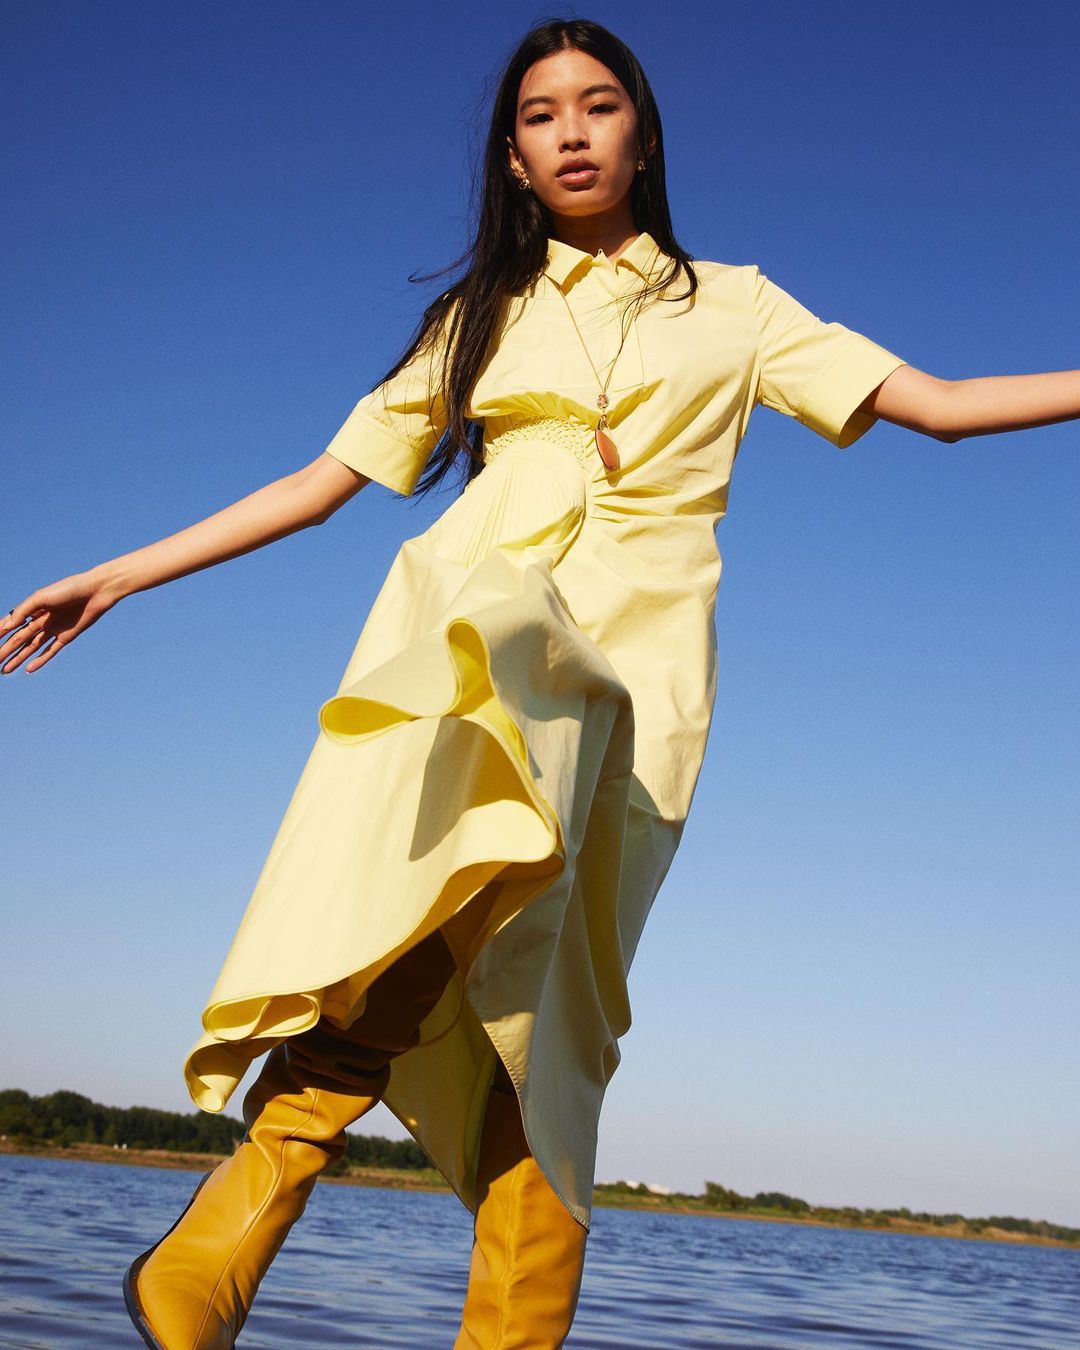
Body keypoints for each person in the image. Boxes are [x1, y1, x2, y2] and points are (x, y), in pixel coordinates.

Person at [3, 16, 1078, 1350]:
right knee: (445, 887)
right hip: (486, 627)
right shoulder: (480, 316)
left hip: (640, 680)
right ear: (512, 158)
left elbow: (946, 404)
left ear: (643, 134)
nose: (571, 131)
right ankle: (247, 1205)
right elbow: (319, 484)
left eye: (599, 104)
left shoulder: (739, 306)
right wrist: (118, 574)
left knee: (554, 1009)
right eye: (538, 114)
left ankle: (476, 1307)